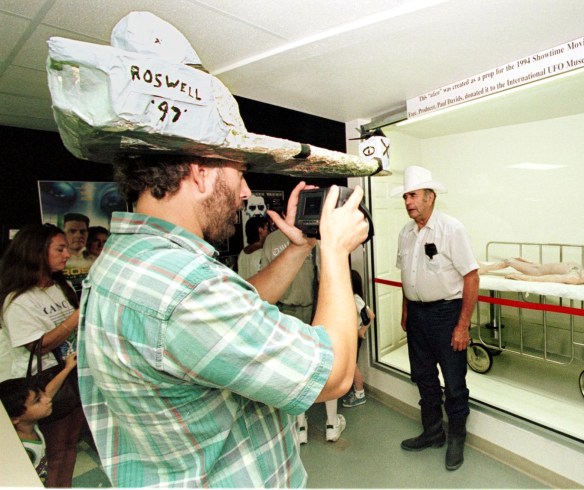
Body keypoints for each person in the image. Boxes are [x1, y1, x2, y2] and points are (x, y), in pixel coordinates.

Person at [77, 154, 368, 487]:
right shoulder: (187, 286)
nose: (245, 192)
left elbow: (241, 306)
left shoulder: (133, 256)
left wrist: (299, 247)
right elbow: (334, 375)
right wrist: (335, 249)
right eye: (240, 175)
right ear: (200, 175)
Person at [393, 165, 479, 471]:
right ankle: (432, 432)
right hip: (416, 316)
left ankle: (456, 438)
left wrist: (462, 325)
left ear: (430, 197)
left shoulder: (451, 229)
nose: (408, 202)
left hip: (447, 314)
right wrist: (406, 311)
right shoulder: (405, 233)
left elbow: (471, 277)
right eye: (405, 196)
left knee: (454, 382)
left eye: (413, 195)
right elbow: (408, 275)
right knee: (424, 378)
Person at [0, 223, 84, 488]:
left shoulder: (59, 286)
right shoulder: (18, 299)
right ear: (36, 252)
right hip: (44, 385)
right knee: (53, 453)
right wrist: (79, 315)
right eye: (60, 249)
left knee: (70, 444)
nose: (67, 255)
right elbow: (38, 346)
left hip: (71, 376)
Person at [260, 225, 346, 443]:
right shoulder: (273, 240)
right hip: (284, 310)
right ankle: (301, 426)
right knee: (300, 366)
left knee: (318, 361)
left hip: (310, 308)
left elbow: (321, 274)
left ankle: (330, 423)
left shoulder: (314, 239)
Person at [0, 352, 77, 486]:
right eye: (37, 401)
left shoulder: (29, 424)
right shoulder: (23, 451)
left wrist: (67, 368)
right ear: (14, 418)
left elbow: (49, 391)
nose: (47, 400)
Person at [479, 258, 584, 288]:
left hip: (537, 271)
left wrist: (520, 277)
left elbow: (548, 278)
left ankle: (484, 269)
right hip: (538, 266)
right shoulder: (582, 272)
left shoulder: (576, 277)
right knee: (516, 259)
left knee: (510, 261)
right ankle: (484, 266)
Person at [342, 269, 375, 408]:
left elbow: (371, 315)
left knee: (351, 366)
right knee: (350, 364)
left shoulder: (355, 298)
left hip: (353, 337)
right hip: (348, 336)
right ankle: (355, 390)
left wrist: (361, 330)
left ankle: (360, 393)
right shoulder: (348, 297)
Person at [62, 213, 93, 296]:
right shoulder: (56, 260)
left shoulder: (95, 258)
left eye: (83, 231)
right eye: (72, 231)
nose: (78, 235)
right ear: (63, 233)